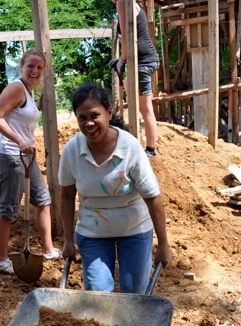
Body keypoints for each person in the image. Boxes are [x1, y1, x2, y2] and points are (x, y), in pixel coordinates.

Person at [59, 82, 172, 293]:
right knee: (97, 291)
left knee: (134, 290)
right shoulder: (72, 151)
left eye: (95, 116)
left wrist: (163, 244)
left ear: (109, 113)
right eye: (82, 118)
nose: (89, 123)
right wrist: (67, 240)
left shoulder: (129, 147)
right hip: (93, 232)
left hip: (134, 229)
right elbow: (66, 197)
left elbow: (152, 197)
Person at [0, 49, 61, 274]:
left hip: (28, 156)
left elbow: (22, 116)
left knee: (42, 200)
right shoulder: (16, 88)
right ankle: (1, 259)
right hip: (12, 156)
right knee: (9, 209)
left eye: (40, 68)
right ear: (21, 67)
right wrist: (20, 140)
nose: (35, 71)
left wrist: (38, 105)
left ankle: (48, 249)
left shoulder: (28, 93)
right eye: (31, 66)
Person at [106, 0, 160, 158]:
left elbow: (128, 39)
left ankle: (150, 150)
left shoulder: (123, 3)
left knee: (144, 108)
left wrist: (122, 61)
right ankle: (136, 144)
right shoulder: (131, 3)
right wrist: (121, 60)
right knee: (136, 104)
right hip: (142, 59)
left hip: (143, 61)